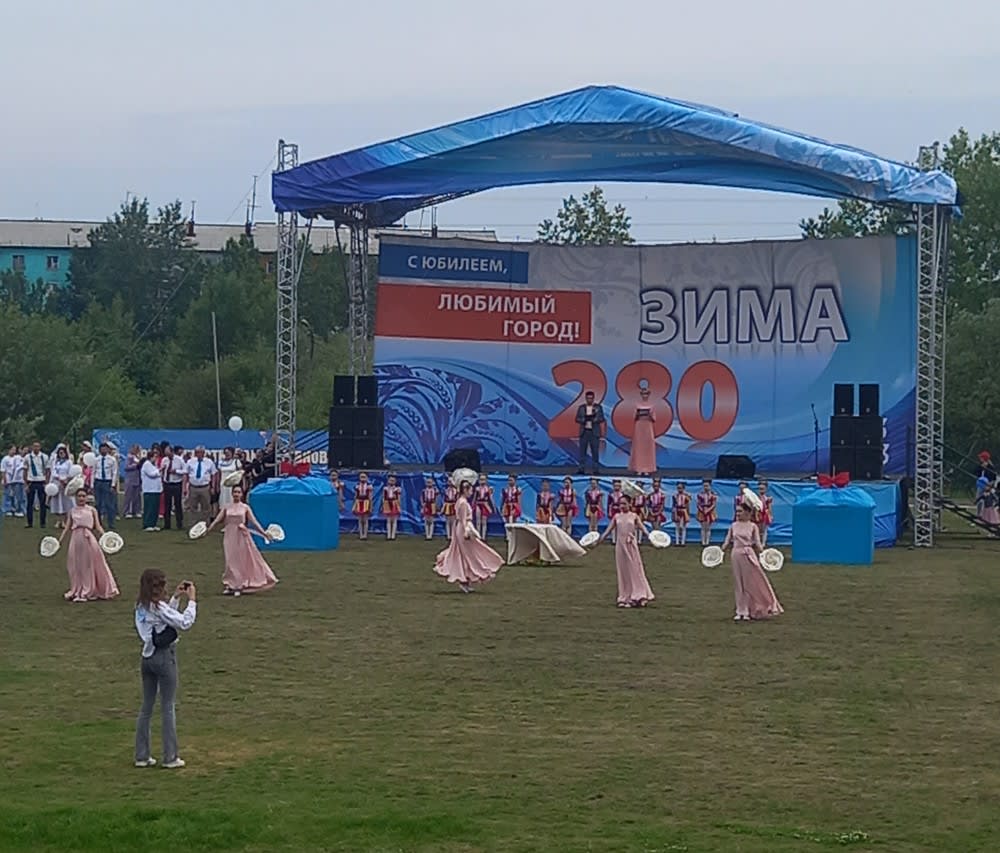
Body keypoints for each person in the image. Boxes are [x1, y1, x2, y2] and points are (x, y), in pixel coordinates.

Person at [134, 570, 197, 769]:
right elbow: (184, 622)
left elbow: (164, 619)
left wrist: (176, 598)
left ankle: (142, 755)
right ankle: (170, 757)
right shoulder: (159, 607)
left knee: (146, 707)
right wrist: (192, 601)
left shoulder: (141, 606)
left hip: (147, 657)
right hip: (163, 657)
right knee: (168, 706)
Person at [205, 484, 278, 595]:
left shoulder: (245, 507)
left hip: (241, 536)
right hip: (230, 535)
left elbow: (254, 522)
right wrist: (208, 529)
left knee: (240, 560)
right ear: (232, 494)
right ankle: (230, 584)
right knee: (230, 560)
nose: (236, 494)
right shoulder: (227, 507)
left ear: (242, 494)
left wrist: (264, 533)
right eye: (235, 492)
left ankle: (239, 585)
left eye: (238, 492)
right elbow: (217, 520)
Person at [433, 480, 504, 593]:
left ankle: (466, 579)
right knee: (467, 554)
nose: (471, 493)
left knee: (465, 554)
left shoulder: (462, 501)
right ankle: (467, 577)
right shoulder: (462, 503)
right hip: (463, 529)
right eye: (470, 490)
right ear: (465, 490)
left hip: (462, 528)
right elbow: (462, 519)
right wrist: (466, 530)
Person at [591, 494, 655, 608]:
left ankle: (640, 596)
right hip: (620, 547)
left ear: (630, 504)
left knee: (635, 570)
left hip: (631, 546)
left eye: (624, 503)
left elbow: (644, 529)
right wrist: (598, 541)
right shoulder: (617, 516)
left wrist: (653, 539)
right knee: (623, 571)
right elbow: (607, 531)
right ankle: (625, 597)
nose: (622, 506)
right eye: (620, 504)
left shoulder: (634, 516)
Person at [722, 503, 783, 621]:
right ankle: (740, 610)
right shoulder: (733, 525)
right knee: (739, 583)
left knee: (750, 582)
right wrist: (719, 551)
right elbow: (727, 541)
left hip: (748, 554)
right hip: (736, 554)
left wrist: (766, 554)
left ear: (747, 512)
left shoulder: (753, 526)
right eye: (737, 511)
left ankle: (755, 608)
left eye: (740, 511)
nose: (738, 514)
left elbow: (758, 543)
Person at [57, 486, 120, 601]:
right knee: (76, 565)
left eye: (83, 496)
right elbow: (67, 527)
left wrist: (106, 536)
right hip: (76, 539)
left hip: (88, 538)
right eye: (79, 496)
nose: (81, 498)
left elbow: (98, 526)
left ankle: (89, 589)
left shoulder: (92, 510)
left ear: (87, 497)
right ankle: (78, 588)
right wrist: (59, 541)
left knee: (89, 564)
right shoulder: (72, 511)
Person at [184, 446, 216, 525]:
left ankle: (205, 523)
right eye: (197, 452)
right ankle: (193, 523)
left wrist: (213, 486)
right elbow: (186, 474)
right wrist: (184, 487)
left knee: (206, 506)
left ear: (203, 453)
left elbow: (213, 474)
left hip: (205, 487)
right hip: (193, 487)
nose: (198, 454)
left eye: (200, 452)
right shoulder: (190, 462)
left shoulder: (209, 462)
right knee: (192, 506)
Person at [628, 386, 657, 475]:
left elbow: (654, 418)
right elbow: (634, 417)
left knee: (648, 447)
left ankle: (648, 468)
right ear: (641, 394)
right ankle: (638, 468)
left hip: (648, 426)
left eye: (646, 394)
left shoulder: (652, 404)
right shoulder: (637, 404)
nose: (645, 395)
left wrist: (649, 414)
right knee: (639, 447)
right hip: (639, 427)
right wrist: (638, 413)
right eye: (643, 394)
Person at [575, 390, 605, 475]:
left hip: (594, 432)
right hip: (584, 432)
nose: (589, 400)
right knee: (582, 451)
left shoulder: (598, 407)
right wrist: (584, 419)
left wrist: (594, 419)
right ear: (585, 398)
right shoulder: (581, 408)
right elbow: (577, 419)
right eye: (588, 398)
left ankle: (595, 469)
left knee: (595, 451)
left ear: (593, 398)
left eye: (591, 398)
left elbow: (602, 418)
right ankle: (581, 468)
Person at [92, 442, 119, 531]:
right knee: (98, 504)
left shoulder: (112, 460)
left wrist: (113, 484)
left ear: (108, 450)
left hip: (107, 482)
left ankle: (111, 523)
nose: (103, 450)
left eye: (105, 449)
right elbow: (93, 472)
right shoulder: (96, 460)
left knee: (109, 504)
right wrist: (92, 484)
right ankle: (98, 523)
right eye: (101, 449)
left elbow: (114, 472)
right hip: (98, 481)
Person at [23, 441, 50, 529]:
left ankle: (43, 522)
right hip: (31, 481)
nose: (36, 448)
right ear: (32, 447)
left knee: (42, 503)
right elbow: (25, 470)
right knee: (30, 503)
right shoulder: (27, 457)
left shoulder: (44, 457)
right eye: (34, 446)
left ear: (40, 447)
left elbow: (48, 470)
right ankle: (29, 522)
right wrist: (26, 484)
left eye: (37, 446)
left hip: (41, 481)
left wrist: (46, 482)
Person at [48, 445, 74, 529]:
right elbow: (53, 472)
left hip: (65, 483)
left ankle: (65, 521)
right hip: (57, 483)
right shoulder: (56, 462)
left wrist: (66, 480)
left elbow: (71, 472)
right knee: (57, 502)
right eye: (60, 453)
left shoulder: (69, 462)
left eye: (62, 453)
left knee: (65, 502)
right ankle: (59, 520)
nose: (61, 454)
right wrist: (58, 478)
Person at [140, 449, 163, 532]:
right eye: (154, 457)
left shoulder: (154, 465)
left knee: (155, 508)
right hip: (149, 490)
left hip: (156, 490)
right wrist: (160, 469)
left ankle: (153, 523)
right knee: (149, 508)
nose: (156, 459)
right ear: (151, 457)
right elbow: (152, 474)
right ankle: (147, 524)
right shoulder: (147, 464)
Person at [2, 445, 25, 518]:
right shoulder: (5, 459)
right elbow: (3, 470)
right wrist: (5, 480)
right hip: (8, 479)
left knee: (14, 495)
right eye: (12, 450)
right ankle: (7, 509)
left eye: (15, 450)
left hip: (14, 480)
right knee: (7, 495)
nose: (14, 451)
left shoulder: (16, 458)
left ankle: (14, 508)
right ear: (9, 450)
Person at [123, 445, 143, 519]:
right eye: (135, 449)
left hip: (137, 479)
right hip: (130, 479)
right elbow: (126, 467)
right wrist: (135, 465)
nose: (136, 450)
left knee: (137, 496)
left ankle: (137, 511)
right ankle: (127, 511)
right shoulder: (129, 457)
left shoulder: (138, 457)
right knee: (128, 496)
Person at [696, 479, 718, 546]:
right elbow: (698, 504)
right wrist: (702, 510)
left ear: (710, 486)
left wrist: (708, 510)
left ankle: (707, 541)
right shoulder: (700, 494)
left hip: (710, 512)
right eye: (704, 486)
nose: (705, 487)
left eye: (707, 486)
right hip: (702, 511)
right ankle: (703, 541)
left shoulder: (713, 495)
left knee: (708, 527)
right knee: (703, 527)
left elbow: (714, 504)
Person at [352, 472, 373, 539]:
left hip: (366, 502)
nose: (363, 478)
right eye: (361, 477)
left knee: (365, 520)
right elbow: (355, 496)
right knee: (360, 520)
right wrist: (354, 506)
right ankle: (361, 534)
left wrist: (370, 506)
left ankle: (365, 534)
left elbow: (370, 497)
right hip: (359, 502)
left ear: (367, 478)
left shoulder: (369, 486)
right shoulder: (357, 486)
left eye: (364, 477)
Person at [473, 473, 494, 540]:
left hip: (485, 505)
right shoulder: (477, 489)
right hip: (478, 504)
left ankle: (483, 537)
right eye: (481, 479)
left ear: (486, 480)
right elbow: (474, 498)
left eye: (484, 479)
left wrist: (492, 507)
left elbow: (490, 499)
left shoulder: (488, 489)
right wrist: (472, 506)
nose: (482, 481)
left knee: (484, 521)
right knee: (478, 521)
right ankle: (478, 536)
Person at [671, 481, 691, 547]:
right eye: (678, 488)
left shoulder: (686, 496)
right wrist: (673, 513)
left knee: (683, 527)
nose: (679, 489)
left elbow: (688, 505)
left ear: (683, 488)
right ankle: (677, 542)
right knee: (677, 527)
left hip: (684, 511)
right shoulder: (674, 496)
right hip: (677, 511)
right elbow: (673, 505)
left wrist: (688, 513)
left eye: (680, 488)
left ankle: (683, 542)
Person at [382, 474, 402, 540]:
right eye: (390, 480)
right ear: (388, 481)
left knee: (394, 520)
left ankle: (393, 535)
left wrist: (398, 505)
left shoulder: (397, 489)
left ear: (395, 481)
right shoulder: (385, 488)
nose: (391, 482)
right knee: (388, 520)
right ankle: (388, 535)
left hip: (394, 503)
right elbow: (383, 497)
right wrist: (383, 505)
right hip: (387, 503)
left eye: (393, 480)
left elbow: (399, 498)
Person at [756, 481, 774, 547]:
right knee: (757, 529)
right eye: (759, 489)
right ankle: (757, 542)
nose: (761, 490)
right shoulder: (756, 497)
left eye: (762, 489)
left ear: (766, 489)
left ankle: (763, 543)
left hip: (765, 514)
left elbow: (769, 507)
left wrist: (770, 515)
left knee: (764, 529)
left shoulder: (768, 498)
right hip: (757, 514)